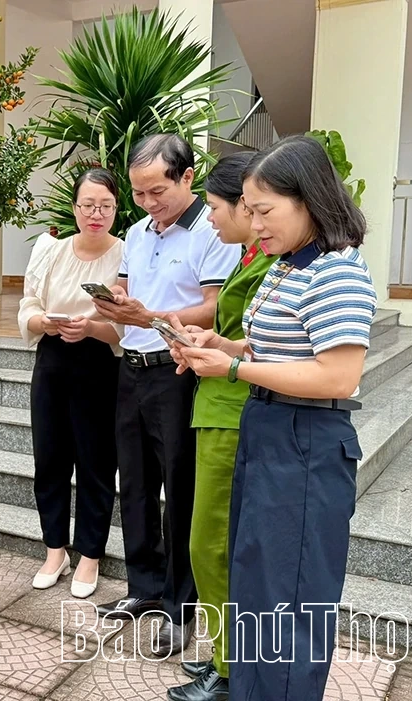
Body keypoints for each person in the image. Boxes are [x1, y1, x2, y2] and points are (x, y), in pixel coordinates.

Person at [172, 135, 376, 701]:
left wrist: (234, 372)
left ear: (307, 200)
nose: (254, 223)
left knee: (288, 596)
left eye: (264, 211)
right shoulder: (289, 267)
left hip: (305, 439)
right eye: (250, 210)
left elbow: (337, 376)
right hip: (270, 431)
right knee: (257, 586)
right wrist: (226, 346)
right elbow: (281, 351)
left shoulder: (337, 271)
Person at [92, 134, 241, 655]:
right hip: (130, 368)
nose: (149, 203)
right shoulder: (136, 232)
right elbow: (130, 294)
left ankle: (181, 605)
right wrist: (116, 303)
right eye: (138, 193)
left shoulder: (213, 229)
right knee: (132, 483)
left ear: (186, 176)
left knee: (179, 488)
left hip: (178, 371)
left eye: (157, 191)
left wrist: (150, 317)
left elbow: (215, 310)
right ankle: (144, 588)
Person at [164, 153, 278, 701]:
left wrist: (216, 349)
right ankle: (222, 654)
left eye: (214, 207)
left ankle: (232, 669)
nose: (209, 219)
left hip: (233, 412)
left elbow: (260, 348)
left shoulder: (266, 265)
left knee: (211, 544)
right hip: (216, 404)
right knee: (207, 542)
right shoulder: (248, 258)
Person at [18, 168, 124, 599]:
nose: (95, 214)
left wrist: (94, 328)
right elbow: (28, 303)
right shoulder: (52, 250)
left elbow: (133, 321)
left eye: (105, 206)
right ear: (75, 207)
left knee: (97, 464)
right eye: (87, 205)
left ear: (117, 208)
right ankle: (54, 548)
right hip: (53, 360)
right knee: (50, 459)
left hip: (100, 363)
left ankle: (91, 554)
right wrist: (42, 321)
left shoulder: (127, 253)